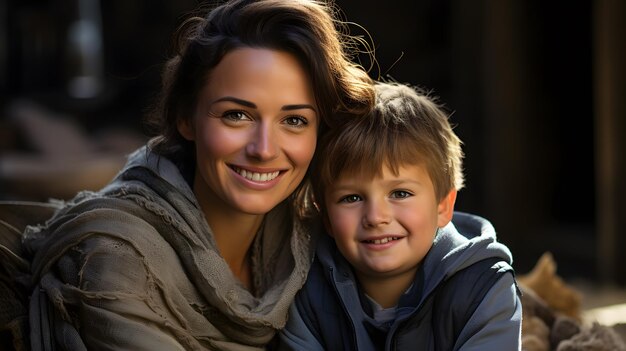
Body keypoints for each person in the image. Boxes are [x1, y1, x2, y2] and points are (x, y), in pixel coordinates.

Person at [0, 0, 375, 350]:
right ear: (185, 118)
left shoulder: (311, 239)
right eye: (236, 115)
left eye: (294, 120)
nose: (263, 148)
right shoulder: (116, 260)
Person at [279, 82, 522, 350]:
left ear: (443, 206)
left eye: (400, 193)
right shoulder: (304, 289)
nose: (376, 217)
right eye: (352, 198)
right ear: (325, 216)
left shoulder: (484, 289)